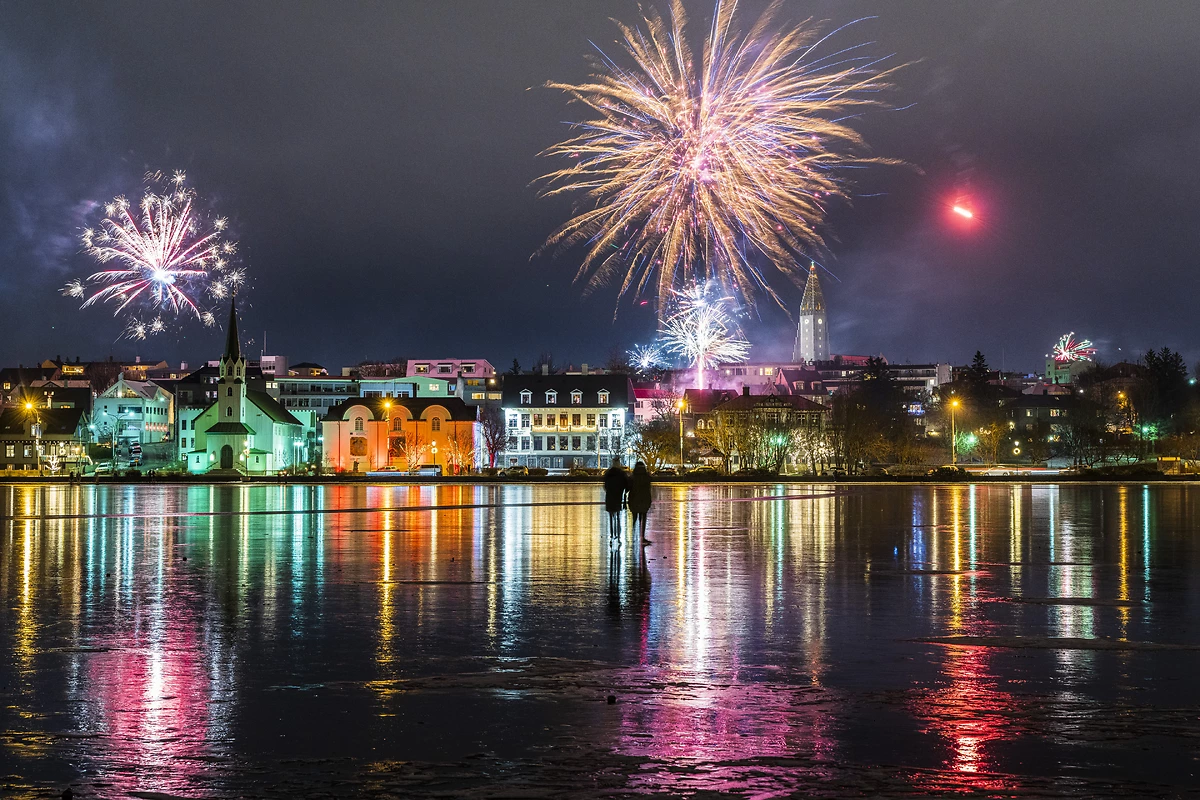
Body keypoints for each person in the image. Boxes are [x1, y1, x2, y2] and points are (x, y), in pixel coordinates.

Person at [602, 458, 628, 544]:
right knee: (617, 516)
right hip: (618, 497)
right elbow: (626, 484)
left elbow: (605, 485)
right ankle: (618, 535)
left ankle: (612, 535)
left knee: (611, 517)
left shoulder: (608, 473)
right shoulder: (621, 474)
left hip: (610, 497)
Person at [627, 461, 653, 544]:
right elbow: (648, 489)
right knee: (643, 519)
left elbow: (628, 488)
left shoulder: (632, 477)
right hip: (644, 501)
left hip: (634, 500)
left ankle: (634, 536)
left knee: (634, 519)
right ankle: (642, 536)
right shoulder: (647, 477)